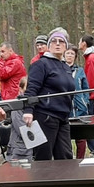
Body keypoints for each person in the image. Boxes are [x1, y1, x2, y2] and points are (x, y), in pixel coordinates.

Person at [23, 27, 75, 161]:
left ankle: (64, 182)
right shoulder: (41, 65)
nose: (57, 44)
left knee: (65, 157)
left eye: (61, 42)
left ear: (66, 46)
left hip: (63, 118)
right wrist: (28, 110)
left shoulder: (65, 67)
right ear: (48, 45)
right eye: (54, 41)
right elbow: (31, 89)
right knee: (43, 157)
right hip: (45, 117)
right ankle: (41, 182)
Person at [78, 34, 94, 156]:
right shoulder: (93, 56)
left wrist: (87, 93)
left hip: (92, 95)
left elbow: (91, 78)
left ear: (83, 43)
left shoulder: (92, 58)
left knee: (91, 123)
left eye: (79, 41)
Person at [64, 45, 89, 159]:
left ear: (75, 56)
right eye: (67, 53)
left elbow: (86, 88)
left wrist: (85, 101)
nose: (69, 56)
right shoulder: (60, 70)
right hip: (65, 109)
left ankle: (80, 160)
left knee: (81, 137)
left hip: (80, 109)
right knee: (66, 137)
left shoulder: (80, 71)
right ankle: (69, 160)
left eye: (72, 54)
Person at [6, 76, 33, 161]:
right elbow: (23, 130)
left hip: (31, 150)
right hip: (20, 150)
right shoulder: (16, 107)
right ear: (20, 89)